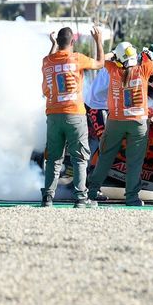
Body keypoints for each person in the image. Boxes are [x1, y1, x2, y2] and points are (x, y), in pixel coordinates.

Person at [87, 42, 153, 206]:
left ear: (119, 58)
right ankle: (132, 198)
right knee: (135, 162)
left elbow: (99, 60)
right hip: (138, 122)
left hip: (115, 121)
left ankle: (92, 191)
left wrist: (112, 54)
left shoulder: (113, 69)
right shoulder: (144, 68)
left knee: (105, 158)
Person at [41, 26, 104, 208]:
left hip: (53, 114)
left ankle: (48, 198)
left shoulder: (47, 61)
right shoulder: (77, 59)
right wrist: (98, 40)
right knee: (79, 157)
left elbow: (49, 66)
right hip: (75, 114)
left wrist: (52, 46)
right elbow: (100, 63)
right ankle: (80, 198)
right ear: (73, 42)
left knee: (53, 157)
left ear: (58, 42)